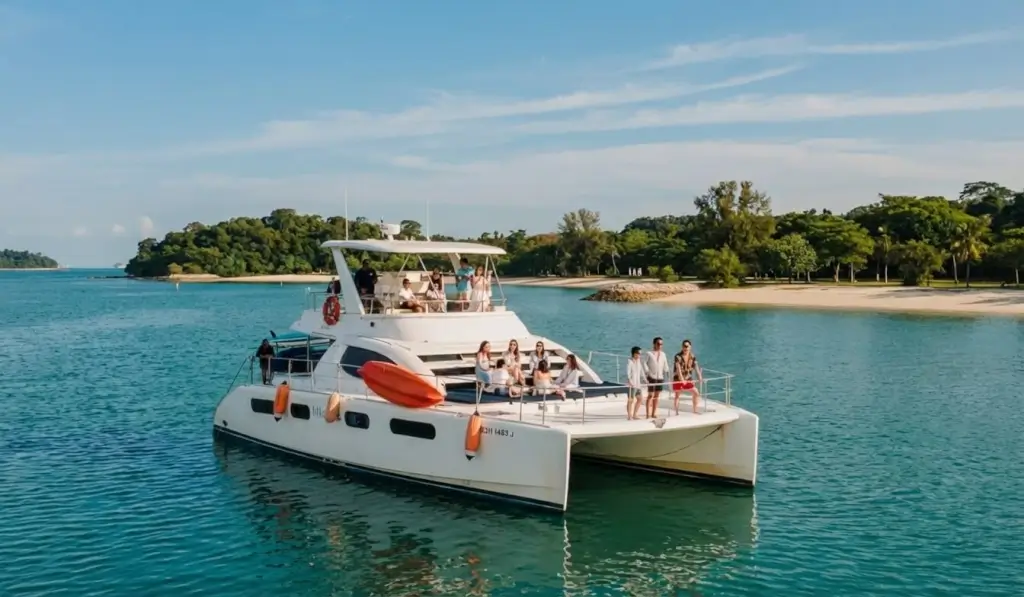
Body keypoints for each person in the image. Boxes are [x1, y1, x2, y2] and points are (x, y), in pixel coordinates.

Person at [674, 339, 703, 414]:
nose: (685, 348)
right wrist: (681, 379)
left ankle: (695, 410)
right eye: (684, 346)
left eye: (687, 346)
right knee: (677, 395)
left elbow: (696, 367)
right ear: (682, 347)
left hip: (687, 378)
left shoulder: (692, 356)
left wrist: (699, 377)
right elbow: (678, 368)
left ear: (690, 347)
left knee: (696, 392)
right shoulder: (678, 356)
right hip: (678, 378)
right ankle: (676, 412)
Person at [643, 336, 669, 418]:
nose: (660, 346)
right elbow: (644, 363)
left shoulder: (663, 354)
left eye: (661, 344)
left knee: (656, 396)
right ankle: (647, 414)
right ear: (654, 344)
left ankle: (654, 413)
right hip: (651, 377)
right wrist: (647, 372)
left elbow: (665, 365)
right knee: (650, 395)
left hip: (660, 378)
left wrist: (667, 372)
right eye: (658, 344)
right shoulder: (649, 354)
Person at [626, 346, 645, 420]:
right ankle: (629, 415)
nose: (640, 355)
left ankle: (634, 414)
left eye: (640, 353)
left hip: (638, 384)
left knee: (640, 399)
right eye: (639, 353)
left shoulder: (639, 361)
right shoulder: (630, 361)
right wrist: (630, 381)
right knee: (630, 400)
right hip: (632, 384)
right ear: (634, 353)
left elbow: (641, 371)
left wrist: (645, 379)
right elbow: (628, 373)